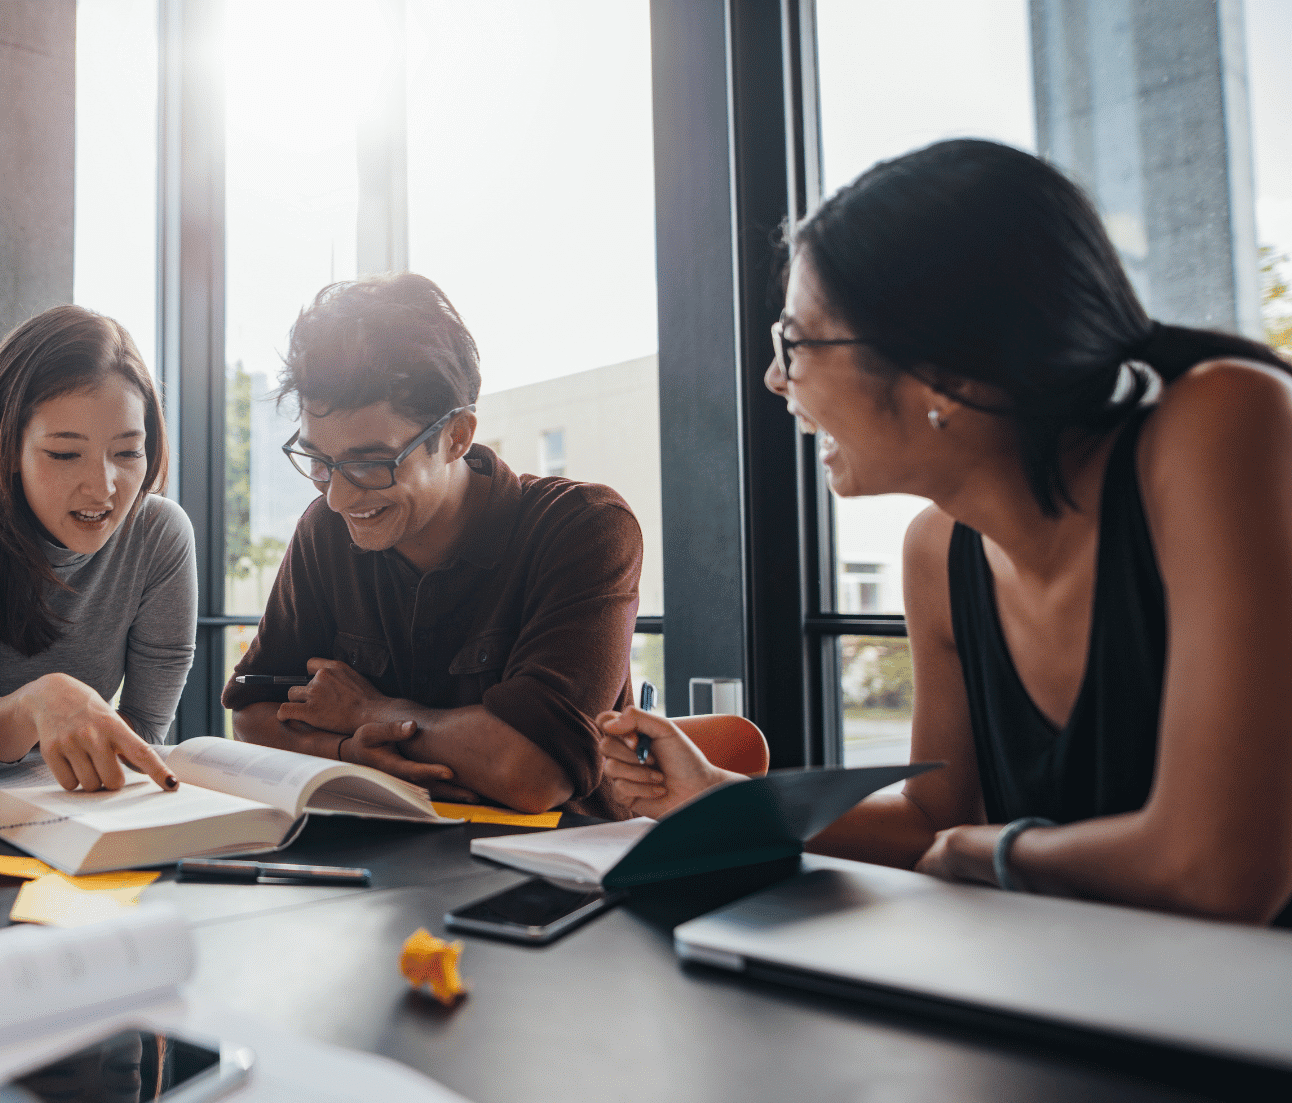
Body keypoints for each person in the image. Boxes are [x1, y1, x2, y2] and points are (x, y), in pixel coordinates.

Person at [599, 139, 1292, 926]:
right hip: (1099, 1004)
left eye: (794, 340)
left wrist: (993, 853)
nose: (774, 378)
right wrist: (713, 796)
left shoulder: (1219, 425)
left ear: (945, 373)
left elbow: (1222, 868)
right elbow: (931, 822)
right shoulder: (937, 553)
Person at [223, 273, 643, 815]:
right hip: (374, 865)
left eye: (370, 463)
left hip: (551, 874)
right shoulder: (324, 532)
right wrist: (350, 751)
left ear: (457, 436)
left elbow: (531, 775)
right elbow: (253, 716)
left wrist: (369, 711)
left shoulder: (584, 529)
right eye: (320, 462)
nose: (338, 497)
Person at [0, 305, 195, 793]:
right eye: (65, 454)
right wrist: (39, 704)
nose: (103, 487)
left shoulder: (160, 535)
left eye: (128, 451)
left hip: (66, 813)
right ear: (5, 447)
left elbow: (141, 743)